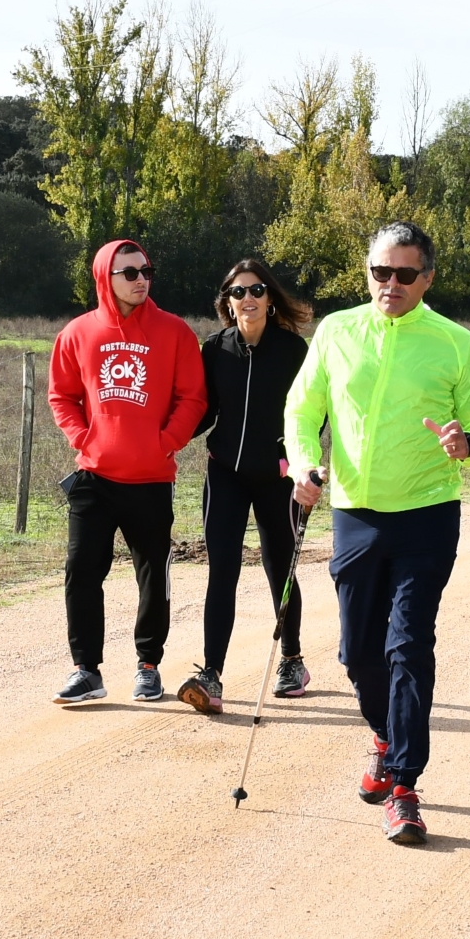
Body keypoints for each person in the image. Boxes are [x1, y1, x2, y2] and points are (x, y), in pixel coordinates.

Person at [287, 222, 470, 845]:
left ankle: (404, 784)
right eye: (382, 272)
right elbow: (302, 411)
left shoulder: (454, 342)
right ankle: (384, 738)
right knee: (358, 652)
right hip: (355, 513)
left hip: (427, 513)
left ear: (427, 279)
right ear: (368, 273)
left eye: (406, 274)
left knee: (408, 646)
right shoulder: (336, 331)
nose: (392, 284)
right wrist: (304, 464)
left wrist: (467, 443)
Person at [46, 239, 205, 705]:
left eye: (146, 271)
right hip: (94, 478)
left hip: (152, 479)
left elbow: (193, 398)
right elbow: (62, 397)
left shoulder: (174, 332)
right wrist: (84, 439)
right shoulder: (77, 333)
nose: (141, 280)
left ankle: (148, 667)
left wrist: (166, 443)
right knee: (80, 572)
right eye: (130, 272)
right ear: (105, 278)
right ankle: (86, 671)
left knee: (153, 573)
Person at [179, 260, 314, 714]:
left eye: (256, 290)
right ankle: (211, 675)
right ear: (227, 302)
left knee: (280, 569)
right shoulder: (215, 349)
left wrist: (297, 461)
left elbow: (314, 412)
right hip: (226, 474)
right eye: (238, 293)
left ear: (270, 297)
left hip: (278, 477)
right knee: (223, 571)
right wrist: (162, 438)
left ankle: (292, 660)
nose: (248, 298)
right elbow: (203, 412)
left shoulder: (294, 351)